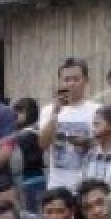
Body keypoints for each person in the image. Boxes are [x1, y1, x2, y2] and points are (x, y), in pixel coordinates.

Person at [40, 57, 102, 192]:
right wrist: (55, 113)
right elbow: (43, 144)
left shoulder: (97, 110)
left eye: (76, 79)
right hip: (57, 185)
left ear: (86, 81)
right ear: (60, 82)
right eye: (66, 80)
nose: (71, 84)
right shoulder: (48, 110)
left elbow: (105, 145)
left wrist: (87, 143)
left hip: (88, 185)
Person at [12, 97, 47, 212]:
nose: (16, 115)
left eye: (20, 111)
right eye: (15, 111)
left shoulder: (31, 133)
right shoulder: (19, 133)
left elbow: (32, 159)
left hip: (32, 181)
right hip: (23, 181)